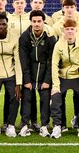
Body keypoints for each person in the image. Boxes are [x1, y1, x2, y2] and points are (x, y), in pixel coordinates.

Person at [49, 19, 79, 139]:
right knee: (56, 96)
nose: (70, 32)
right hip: (62, 77)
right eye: (67, 29)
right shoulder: (58, 45)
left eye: (72, 29)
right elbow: (54, 65)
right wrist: (56, 86)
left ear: (76, 30)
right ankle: (57, 125)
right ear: (63, 31)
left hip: (77, 77)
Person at [18, 9, 55, 137]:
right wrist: (27, 80)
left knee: (45, 99)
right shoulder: (24, 37)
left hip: (44, 73)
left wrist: (47, 80)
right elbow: (24, 60)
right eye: (34, 21)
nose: (37, 24)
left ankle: (44, 126)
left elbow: (52, 61)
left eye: (39, 21)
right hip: (30, 72)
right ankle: (24, 125)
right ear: (30, 22)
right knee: (27, 99)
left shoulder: (50, 37)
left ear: (44, 22)